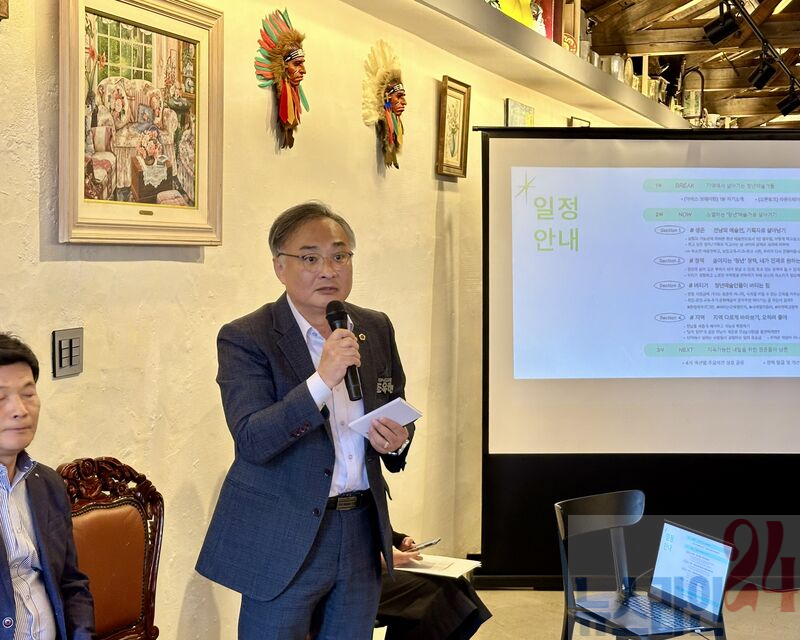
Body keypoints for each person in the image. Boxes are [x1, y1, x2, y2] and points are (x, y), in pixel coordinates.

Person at [196, 201, 415, 639]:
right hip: (284, 533)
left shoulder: (375, 327)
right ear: (280, 266)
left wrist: (399, 441)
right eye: (310, 258)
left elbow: (396, 406)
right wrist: (321, 380)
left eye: (340, 255)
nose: (328, 270)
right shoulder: (246, 337)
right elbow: (253, 438)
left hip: (359, 529)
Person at [0, 333, 95, 639]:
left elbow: (71, 582)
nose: (19, 409)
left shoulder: (48, 484)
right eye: (0, 398)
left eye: (28, 393)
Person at [377, 531, 492, 640]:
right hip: (366, 575)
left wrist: (398, 541)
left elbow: (373, 524)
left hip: (377, 564)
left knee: (455, 583)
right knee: (432, 591)